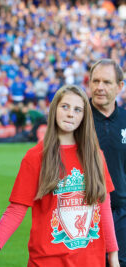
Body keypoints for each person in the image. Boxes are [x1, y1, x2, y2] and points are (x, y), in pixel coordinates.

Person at [0, 85, 120, 266]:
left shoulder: (95, 155)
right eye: (65, 107)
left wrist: (113, 257)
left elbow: (104, 207)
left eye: (78, 110)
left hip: (90, 261)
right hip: (47, 261)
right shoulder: (36, 157)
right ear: (54, 109)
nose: (71, 114)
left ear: (84, 116)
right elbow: (17, 208)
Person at [89, 59, 126, 267]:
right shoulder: (78, 119)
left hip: (121, 214)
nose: (99, 87)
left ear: (120, 86)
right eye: (95, 81)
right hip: (84, 214)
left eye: (106, 82)